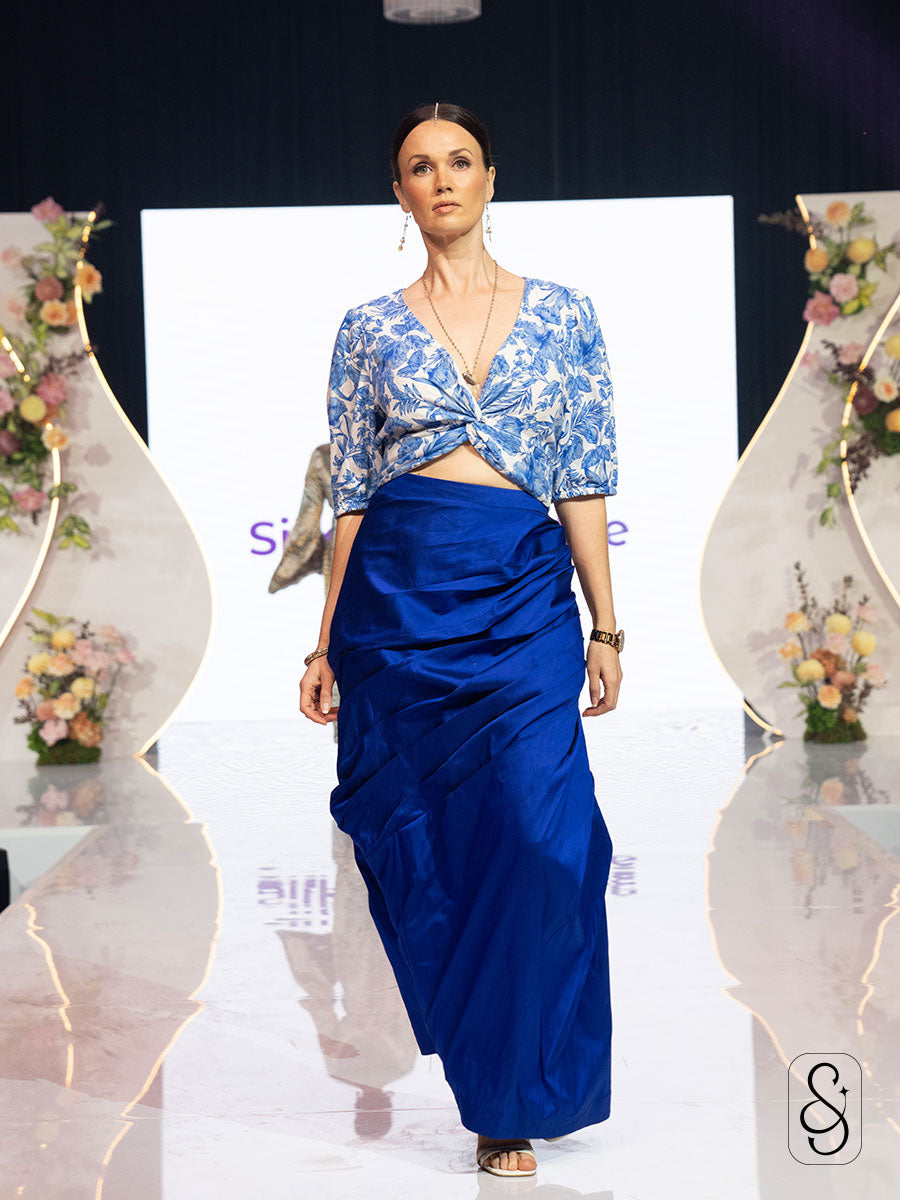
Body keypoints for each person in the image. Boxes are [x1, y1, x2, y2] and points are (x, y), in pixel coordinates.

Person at [298, 101, 623, 1178]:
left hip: (522, 595)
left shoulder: (567, 315)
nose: (441, 179)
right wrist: (322, 641)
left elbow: (581, 475)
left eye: (459, 161)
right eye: (418, 167)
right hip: (401, 600)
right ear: (399, 194)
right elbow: (348, 495)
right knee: (432, 841)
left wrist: (606, 624)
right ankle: (498, 1104)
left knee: (547, 838)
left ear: (492, 177)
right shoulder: (367, 329)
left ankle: (525, 1067)